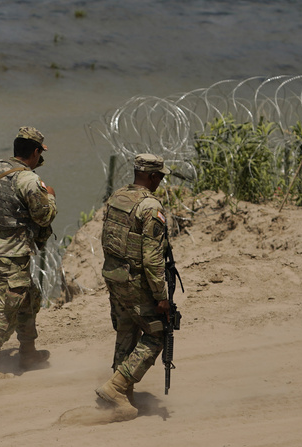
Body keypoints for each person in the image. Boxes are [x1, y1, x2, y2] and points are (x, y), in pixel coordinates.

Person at [0, 126, 57, 383]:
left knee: (29, 299)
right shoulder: (29, 181)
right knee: (6, 309)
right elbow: (44, 215)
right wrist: (51, 197)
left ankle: (28, 353)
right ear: (34, 152)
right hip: (13, 253)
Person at [95, 153, 172, 421]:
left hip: (114, 275)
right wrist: (162, 297)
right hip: (135, 280)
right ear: (151, 176)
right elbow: (152, 259)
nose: (161, 181)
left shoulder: (118, 197)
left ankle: (121, 394)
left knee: (126, 329)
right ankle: (116, 387)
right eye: (160, 176)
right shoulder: (150, 207)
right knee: (157, 334)